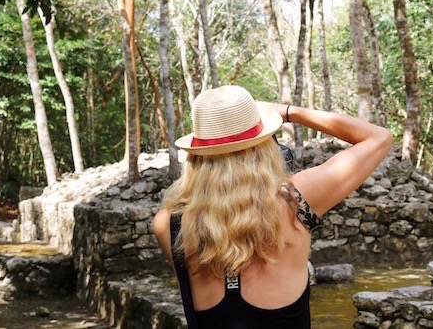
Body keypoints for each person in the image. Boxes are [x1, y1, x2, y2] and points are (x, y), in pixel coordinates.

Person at [153, 85, 392, 329]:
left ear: (196, 153)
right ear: (265, 143)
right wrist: (289, 112)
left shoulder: (168, 222)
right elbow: (379, 137)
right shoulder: (294, 200)